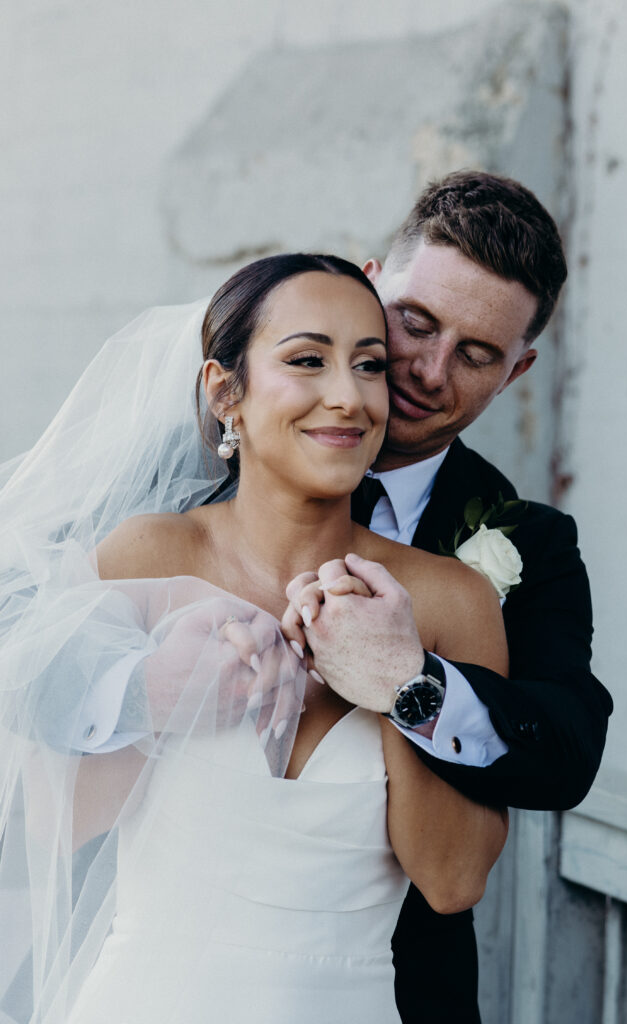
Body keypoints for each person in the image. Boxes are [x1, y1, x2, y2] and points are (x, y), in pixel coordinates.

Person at [0, 254, 509, 1024]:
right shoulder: (144, 557)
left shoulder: (450, 598)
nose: (347, 396)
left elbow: (451, 879)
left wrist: (400, 678)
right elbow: (58, 824)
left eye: (368, 365)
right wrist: (159, 687)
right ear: (224, 393)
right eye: (307, 360)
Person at [281, 172, 613, 1022]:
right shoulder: (215, 460)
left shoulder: (526, 542)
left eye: (474, 353)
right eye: (414, 323)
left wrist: (409, 683)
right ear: (363, 287)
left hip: (397, 980)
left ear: (516, 371)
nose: (426, 372)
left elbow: (567, 748)